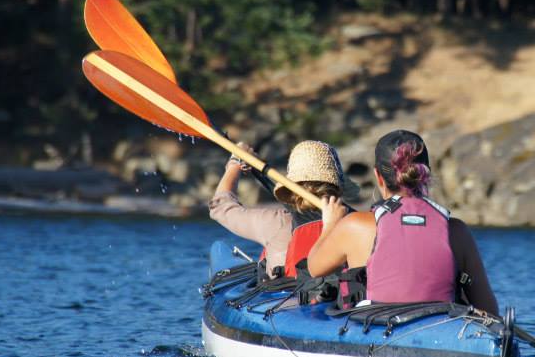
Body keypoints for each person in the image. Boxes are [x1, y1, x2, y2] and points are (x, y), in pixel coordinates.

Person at [306, 130, 499, 315]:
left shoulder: (354, 225)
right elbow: (489, 310)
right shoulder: (456, 231)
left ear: (378, 176)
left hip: (374, 330)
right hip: (439, 332)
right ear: (426, 173)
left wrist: (330, 224)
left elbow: (314, 268)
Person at [209, 140, 357, 278]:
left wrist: (234, 164)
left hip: (285, 299)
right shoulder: (357, 223)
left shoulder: (276, 222)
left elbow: (220, 207)